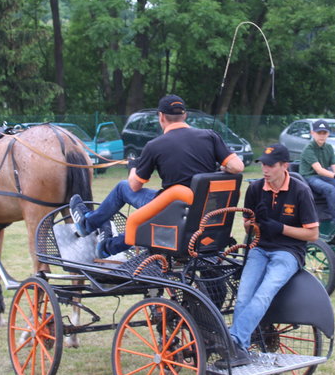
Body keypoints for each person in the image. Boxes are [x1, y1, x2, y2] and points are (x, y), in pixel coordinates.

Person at [70, 94, 245, 257]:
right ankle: (101, 237)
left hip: (174, 211)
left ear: (161, 117)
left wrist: (133, 166)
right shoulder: (210, 136)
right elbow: (237, 166)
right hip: (208, 212)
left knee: (122, 187)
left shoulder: (154, 146)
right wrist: (216, 172)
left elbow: (134, 186)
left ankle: (88, 225)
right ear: (185, 116)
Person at [216, 143, 319, 369]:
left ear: (285, 166)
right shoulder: (255, 189)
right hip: (260, 248)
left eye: (270, 165)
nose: (265, 169)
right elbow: (247, 227)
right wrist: (254, 224)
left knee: (263, 294)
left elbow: (312, 234)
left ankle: (234, 343)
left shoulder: (300, 192)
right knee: (243, 296)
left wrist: (279, 228)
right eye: (263, 164)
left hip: (289, 252)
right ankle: (240, 347)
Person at [298, 119, 335, 225]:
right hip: (309, 177)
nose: (321, 135)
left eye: (324, 133)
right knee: (330, 189)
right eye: (319, 133)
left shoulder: (329, 147)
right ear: (313, 133)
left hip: (324, 176)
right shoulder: (308, 149)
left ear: (328, 134)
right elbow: (319, 170)